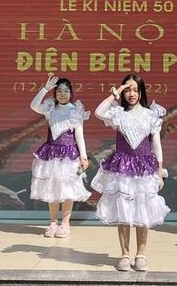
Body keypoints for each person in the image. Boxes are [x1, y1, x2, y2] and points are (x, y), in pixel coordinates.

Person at [92, 74, 169, 272]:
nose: (131, 94)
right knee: (123, 212)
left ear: (141, 91)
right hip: (123, 169)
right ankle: (125, 254)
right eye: (127, 90)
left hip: (144, 168)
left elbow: (157, 146)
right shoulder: (117, 114)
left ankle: (141, 254)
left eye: (135, 89)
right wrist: (115, 93)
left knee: (143, 211)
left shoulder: (151, 115)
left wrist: (159, 171)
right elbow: (99, 112)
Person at [29, 75, 91, 238]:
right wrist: (45, 89)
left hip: (69, 156)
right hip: (51, 155)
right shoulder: (50, 108)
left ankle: (65, 224)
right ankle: (53, 223)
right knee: (52, 189)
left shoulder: (75, 110)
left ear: (71, 93)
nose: (63, 94)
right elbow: (34, 106)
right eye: (59, 91)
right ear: (55, 93)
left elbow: (79, 135)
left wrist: (84, 157)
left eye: (66, 91)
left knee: (67, 190)